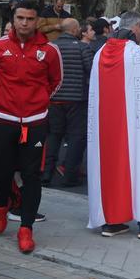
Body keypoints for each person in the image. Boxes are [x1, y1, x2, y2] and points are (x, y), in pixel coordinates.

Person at [86, 12, 140, 240]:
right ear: (136, 28)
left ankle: (112, 221)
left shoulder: (101, 52)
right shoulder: (136, 53)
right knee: (139, 166)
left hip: (106, 126)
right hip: (135, 126)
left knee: (111, 168)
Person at [0, 0, 62, 253]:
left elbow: (55, 81)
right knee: (1, 172)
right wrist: (6, 102)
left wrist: (36, 103)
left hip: (35, 122)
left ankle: (26, 228)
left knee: (32, 176)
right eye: (21, 18)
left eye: (30, 18)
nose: (25, 23)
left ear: (37, 20)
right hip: (3, 120)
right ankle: (0, 205)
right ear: (13, 18)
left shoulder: (50, 51)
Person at [42, 18, 93, 187]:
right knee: (76, 138)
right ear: (75, 30)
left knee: (53, 136)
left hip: (54, 100)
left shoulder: (49, 48)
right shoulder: (82, 48)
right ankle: (70, 176)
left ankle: (46, 173)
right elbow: (91, 70)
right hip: (76, 100)